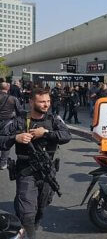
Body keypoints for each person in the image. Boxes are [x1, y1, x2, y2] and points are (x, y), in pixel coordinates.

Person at [0, 88, 71, 239]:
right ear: (31, 102)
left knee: (41, 207)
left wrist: (45, 133)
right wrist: (15, 138)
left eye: (48, 101)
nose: (46, 105)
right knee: (27, 212)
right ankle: (27, 229)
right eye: (42, 101)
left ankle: (29, 225)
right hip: (26, 170)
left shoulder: (54, 119)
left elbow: (66, 135)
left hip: (47, 171)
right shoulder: (19, 120)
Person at [0, 82, 23, 170]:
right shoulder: (13, 99)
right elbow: (20, 111)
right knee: (6, 142)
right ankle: (3, 163)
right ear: (8, 88)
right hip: (8, 122)